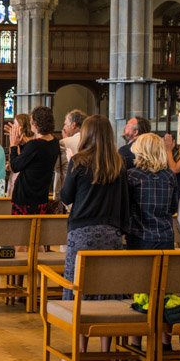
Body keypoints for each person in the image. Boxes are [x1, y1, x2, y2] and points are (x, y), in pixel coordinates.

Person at [60, 115, 129, 301]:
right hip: (111, 231)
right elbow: (124, 200)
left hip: (82, 231)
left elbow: (65, 196)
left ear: (86, 135)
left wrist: (70, 166)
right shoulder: (119, 163)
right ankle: (105, 324)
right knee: (107, 282)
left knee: (78, 281)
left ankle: (79, 326)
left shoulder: (79, 162)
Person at [125, 133, 178, 250]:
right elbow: (173, 207)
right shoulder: (169, 175)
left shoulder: (132, 175)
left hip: (139, 236)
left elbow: (126, 208)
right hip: (165, 237)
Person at [9, 106, 61, 215]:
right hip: (41, 196)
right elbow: (32, 161)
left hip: (26, 198)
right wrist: (22, 144)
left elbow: (15, 166)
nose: (30, 123)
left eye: (31, 121)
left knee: (22, 230)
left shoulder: (35, 145)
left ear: (36, 124)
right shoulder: (55, 142)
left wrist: (13, 146)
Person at [6, 113, 34, 196]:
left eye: (15, 124)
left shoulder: (27, 142)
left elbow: (17, 164)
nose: (13, 127)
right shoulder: (18, 140)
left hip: (22, 177)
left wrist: (14, 144)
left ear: (22, 126)